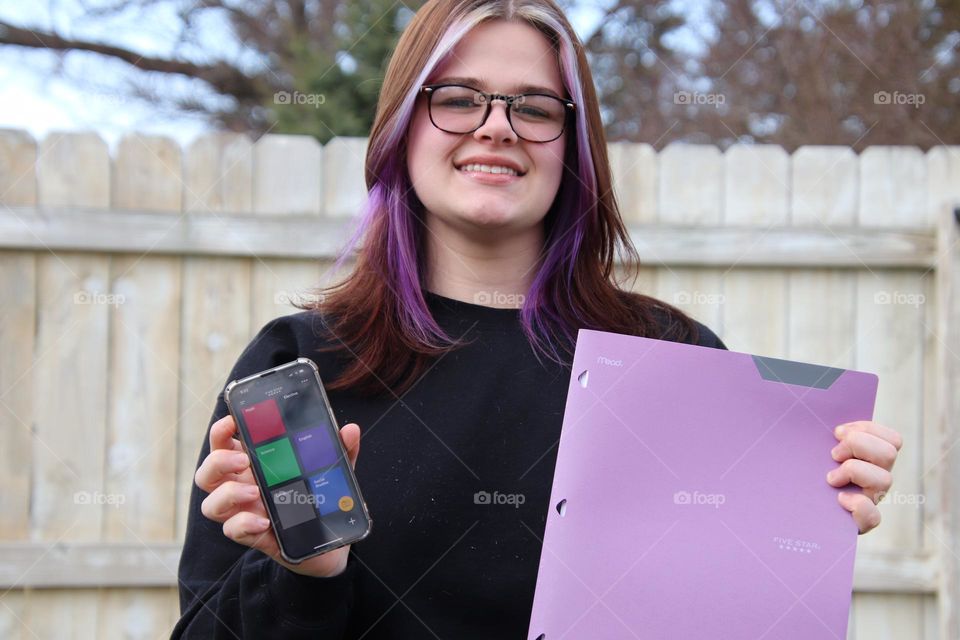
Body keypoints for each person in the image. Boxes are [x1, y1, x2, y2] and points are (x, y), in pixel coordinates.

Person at [172, 1, 903, 637]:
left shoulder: (670, 356)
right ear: (402, 126)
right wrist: (309, 571)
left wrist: (801, 533)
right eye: (458, 98)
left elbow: (738, 614)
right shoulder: (304, 367)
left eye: (534, 107)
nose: (497, 128)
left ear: (573, 146)